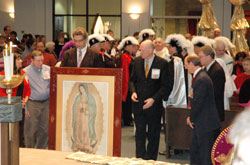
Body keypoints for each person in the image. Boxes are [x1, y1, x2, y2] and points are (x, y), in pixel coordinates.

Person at [129, 40, 172, 160]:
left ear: (150, 50)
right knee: (140, 134)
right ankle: (140, 158)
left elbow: (166, 86)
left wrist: (153, 99)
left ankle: (151, 160)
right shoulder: (137, 61)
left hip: (154, 105)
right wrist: (133, 92)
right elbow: (132, 80)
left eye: (142, 49)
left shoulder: (162, 63)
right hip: (138, 104)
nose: (139, 51)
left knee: (153, 134)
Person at [185, 54, 220, 165]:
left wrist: (191, 117)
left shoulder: (201, 79)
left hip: (205, 122)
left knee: (204, 155)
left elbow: (198, 102)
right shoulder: (201, 76)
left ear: (191, 64)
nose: (186, 67)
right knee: (195, 151)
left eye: (186, 65)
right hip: (203, 121)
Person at [0, 53, 31, 147]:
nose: (21, 61)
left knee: (20, 130)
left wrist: (25, 101)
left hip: (21, 106)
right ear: (12, 62)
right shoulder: (3, 76)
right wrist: (15, 103)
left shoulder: (23, 74)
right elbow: (2, 93)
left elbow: (28, 89)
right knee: (10, 132)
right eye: (18, 59)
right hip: (10, 107)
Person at [23, 50, 50, 149]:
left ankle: (41, 150)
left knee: (45, 129)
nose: (40, 63)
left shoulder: (47, 69)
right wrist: (25, 108)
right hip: (32, 103)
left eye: (42, 60)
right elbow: (24, 91)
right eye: (38, 61)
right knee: (30, 129)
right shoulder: (25, 72)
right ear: (32, 60)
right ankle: (29, 150)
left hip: (46, 103)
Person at [198, 45, 226, 122]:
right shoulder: (206, 68)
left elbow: (215, 92)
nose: (199, 59)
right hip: (208, 110)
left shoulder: (217, 70)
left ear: (209, 56)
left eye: (201, 56)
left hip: (213, 111)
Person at [118, 36, 139, 126]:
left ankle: (128, 118)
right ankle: (127, 119)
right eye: (134, 47)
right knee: (127, 102)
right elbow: (125, 71)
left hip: (130, 81)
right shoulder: (125, 57)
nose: (136, 49)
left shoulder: (129, 56)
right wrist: (126, 84)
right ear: (128, 47)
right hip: (127, 82)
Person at [72, 83, 97, 153]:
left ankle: (86, 143)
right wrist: (79, 107)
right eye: (80, 89)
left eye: (82, 88)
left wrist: (87, 109)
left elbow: (92, 108)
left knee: (85, 129)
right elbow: (75, 107)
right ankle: (79, 143)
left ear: (85, 89)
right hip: (79, 116)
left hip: (86, 116)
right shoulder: (78, 98)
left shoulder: (89, 97)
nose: (81, 90)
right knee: (79, 129)